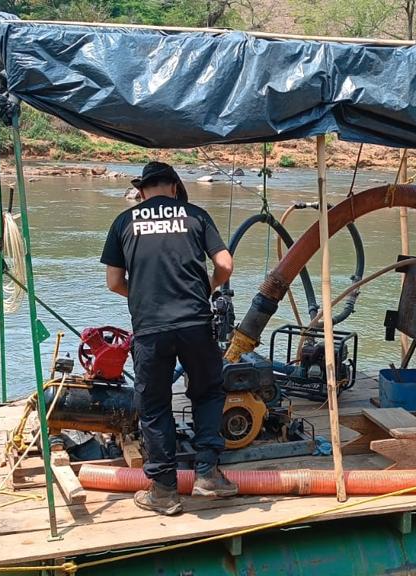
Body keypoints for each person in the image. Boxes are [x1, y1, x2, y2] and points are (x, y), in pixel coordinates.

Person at [101, 161, 238, 515]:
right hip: (195, 323)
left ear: (142, 191)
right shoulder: (196, 215)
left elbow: (114, 282)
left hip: (150, 328)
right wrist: (205, 290)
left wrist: (145, 297)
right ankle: (208, 473)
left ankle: (163, 490)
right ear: (175, 188)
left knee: (156, 404)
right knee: (207, 391)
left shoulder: (123, 223)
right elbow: (225, 264)